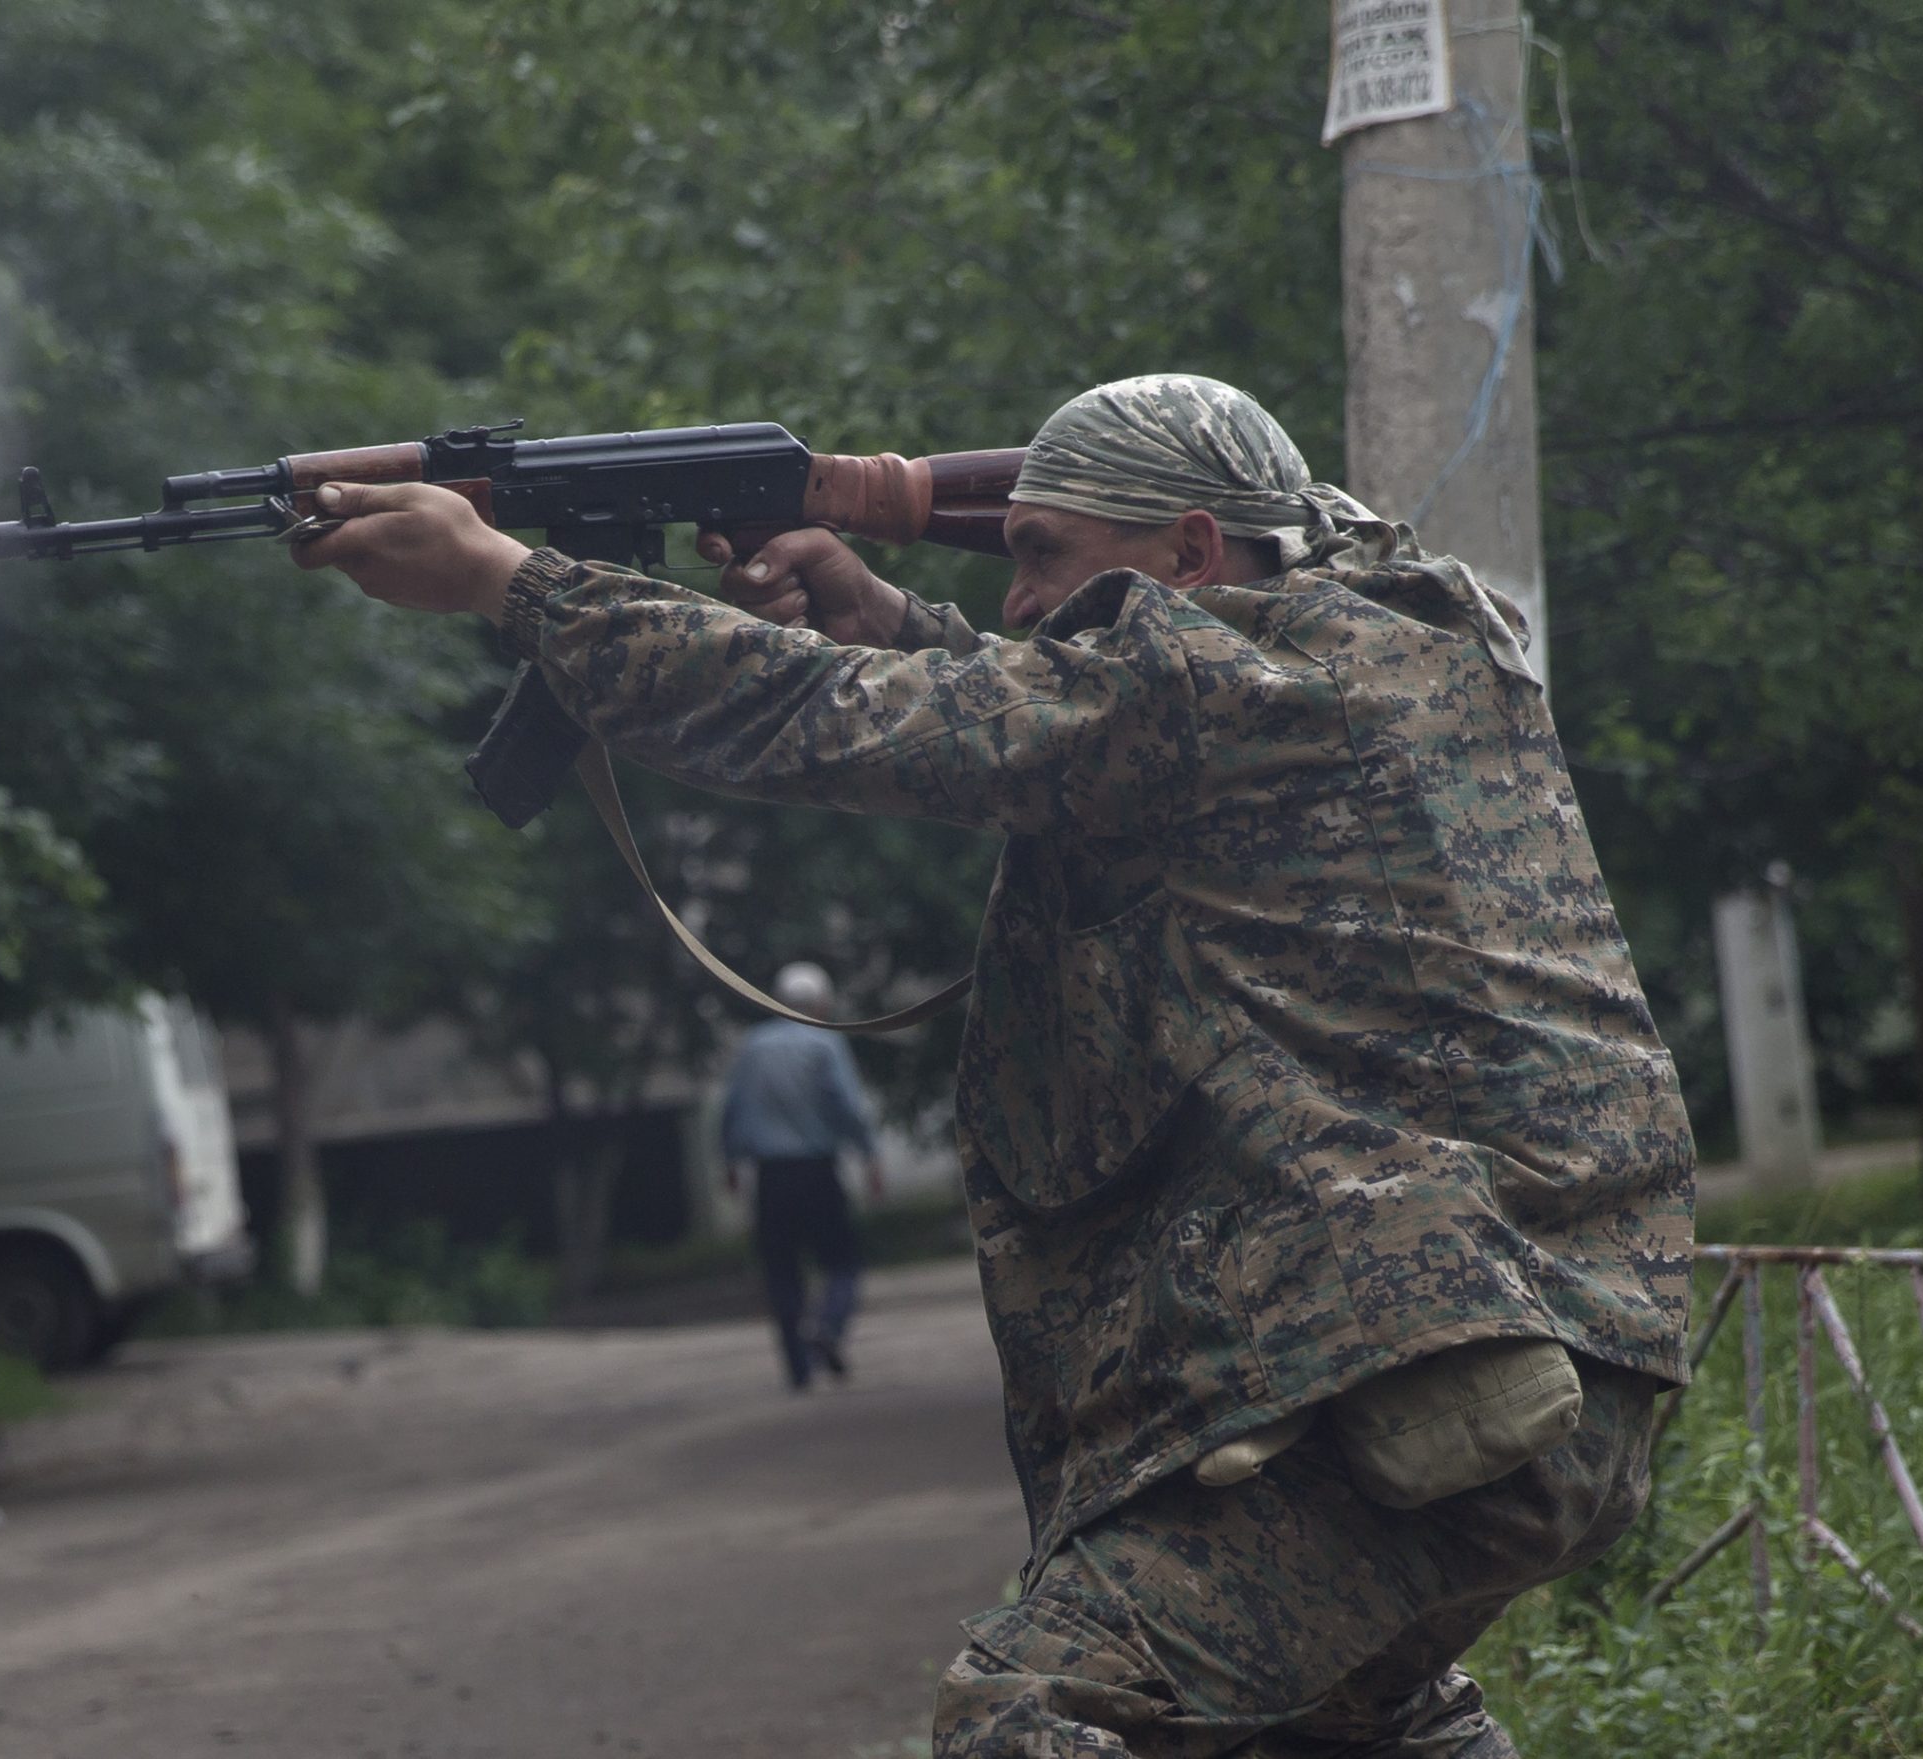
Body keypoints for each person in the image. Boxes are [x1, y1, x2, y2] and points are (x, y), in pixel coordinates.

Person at [293, 374, 1694, 1757]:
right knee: (1346, 1716)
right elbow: (1089, 719)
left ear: (1192, 550)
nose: (1021, 597)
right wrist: (895, 615)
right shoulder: (1376, 631)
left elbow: (832, 719)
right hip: (1505, 1345)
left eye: (1042, 554)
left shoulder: (1220, 677)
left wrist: (511, 580)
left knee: (1032, 1703)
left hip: (1421, 1359)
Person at [719, 960, 889, 1389]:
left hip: (770, 1176)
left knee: (781, 1271)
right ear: (821, 1003)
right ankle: (828, 1330)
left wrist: (730, 1162)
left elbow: (732, 1110)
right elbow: (846, 1106)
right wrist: (869, 1155)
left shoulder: (753, 1046)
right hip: (817, 1171)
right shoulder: (824, 1044)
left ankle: (797, 1370)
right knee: (842, 1262)